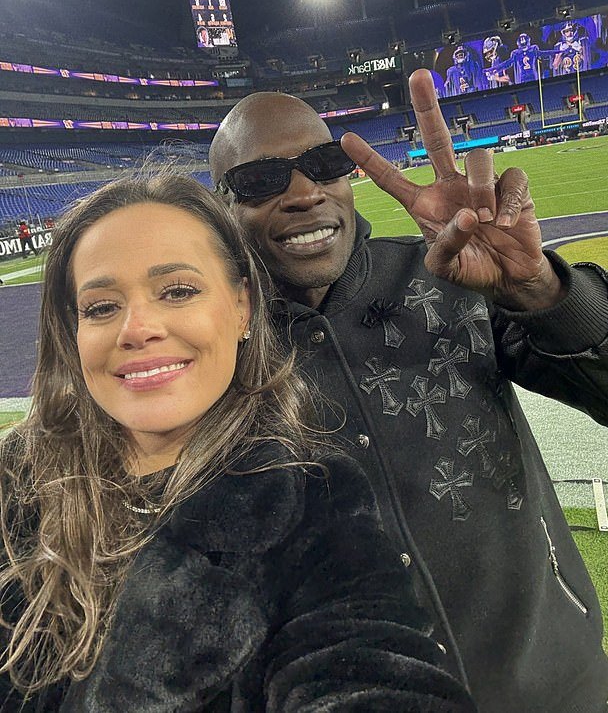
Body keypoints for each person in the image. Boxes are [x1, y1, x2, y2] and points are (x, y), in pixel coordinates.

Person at [209, 68, 608, 713]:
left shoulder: (451, 278)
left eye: (325, 165)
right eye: (262, 180)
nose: (305, 193)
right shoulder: (209, 351)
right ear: (220, 208)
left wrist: (542, 292)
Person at [0, 170, 475, 712]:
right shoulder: (16, 479)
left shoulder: (312, 502)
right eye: (102, 307)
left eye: (178, 291)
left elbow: (365, 670)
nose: (136, 328)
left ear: (242, 306)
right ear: (73, 331)